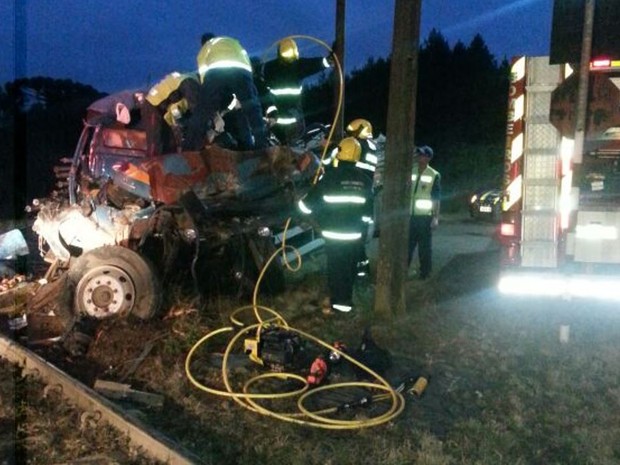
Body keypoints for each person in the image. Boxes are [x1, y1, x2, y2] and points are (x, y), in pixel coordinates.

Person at [297, 137, 373, 313]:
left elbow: (306, 206)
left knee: (336, 269)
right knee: (349, 267)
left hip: (334, 235)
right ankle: (346, 300)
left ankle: (339, 305)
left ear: (339, 154)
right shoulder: (365, 181)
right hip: (355, 236)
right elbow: (368, 214)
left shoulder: (329, 178)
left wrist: (306, 211)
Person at [194, 35, 269, 150]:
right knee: (252, 108)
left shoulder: (206, 48)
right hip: (243, 72)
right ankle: (262, 145)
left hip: (216, 72)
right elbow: (247, 68)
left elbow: (205, 80)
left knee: (203, 111)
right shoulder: (232, 42)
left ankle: (191, 148)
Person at [261, 38, 331, 144]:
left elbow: (315, 64)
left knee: (284, 151)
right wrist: (329, 60)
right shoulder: (295, 66)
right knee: (292, 151)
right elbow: (315, 64)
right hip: (284, 121)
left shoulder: (269, 67)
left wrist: (328, 60)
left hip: (280, 121)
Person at [142, 71, 201, 157]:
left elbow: (176, 108)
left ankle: (167, 167)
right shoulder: (190, 82)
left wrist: (182, 122)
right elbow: (196, 108)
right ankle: (150, 165)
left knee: (169, 145)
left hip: (163, 111)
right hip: (154, 106)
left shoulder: (187, 82)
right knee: (155, 142)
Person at [408, 145, 441, 280]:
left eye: (421, 155)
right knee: (407, 246)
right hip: (410, 216)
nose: (418, 157)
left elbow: (436, 198)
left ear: (428, 158)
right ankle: (403, 270)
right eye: (418, 154)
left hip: (424, 217)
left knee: (424, 247)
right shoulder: (412, 171)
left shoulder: (434, 175)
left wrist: (435, 217)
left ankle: (425, 273)